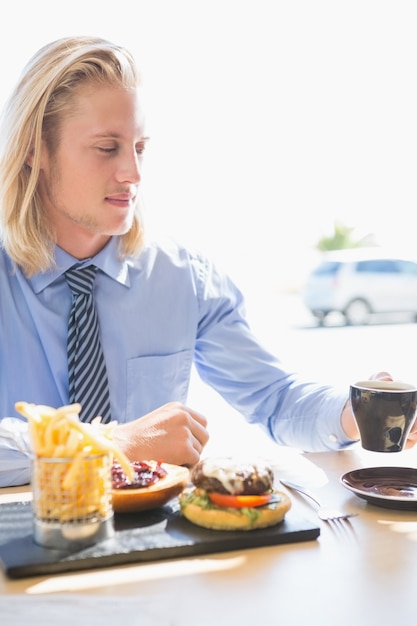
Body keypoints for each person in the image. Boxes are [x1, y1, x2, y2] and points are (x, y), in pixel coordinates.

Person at [0, 36, 412, 488]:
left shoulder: (182, 277)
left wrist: (351, 412)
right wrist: (113, 442)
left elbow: (275, 397)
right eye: (106, 148)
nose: (133, 175)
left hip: (158, 547)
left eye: (139, 148)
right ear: (33, 150)